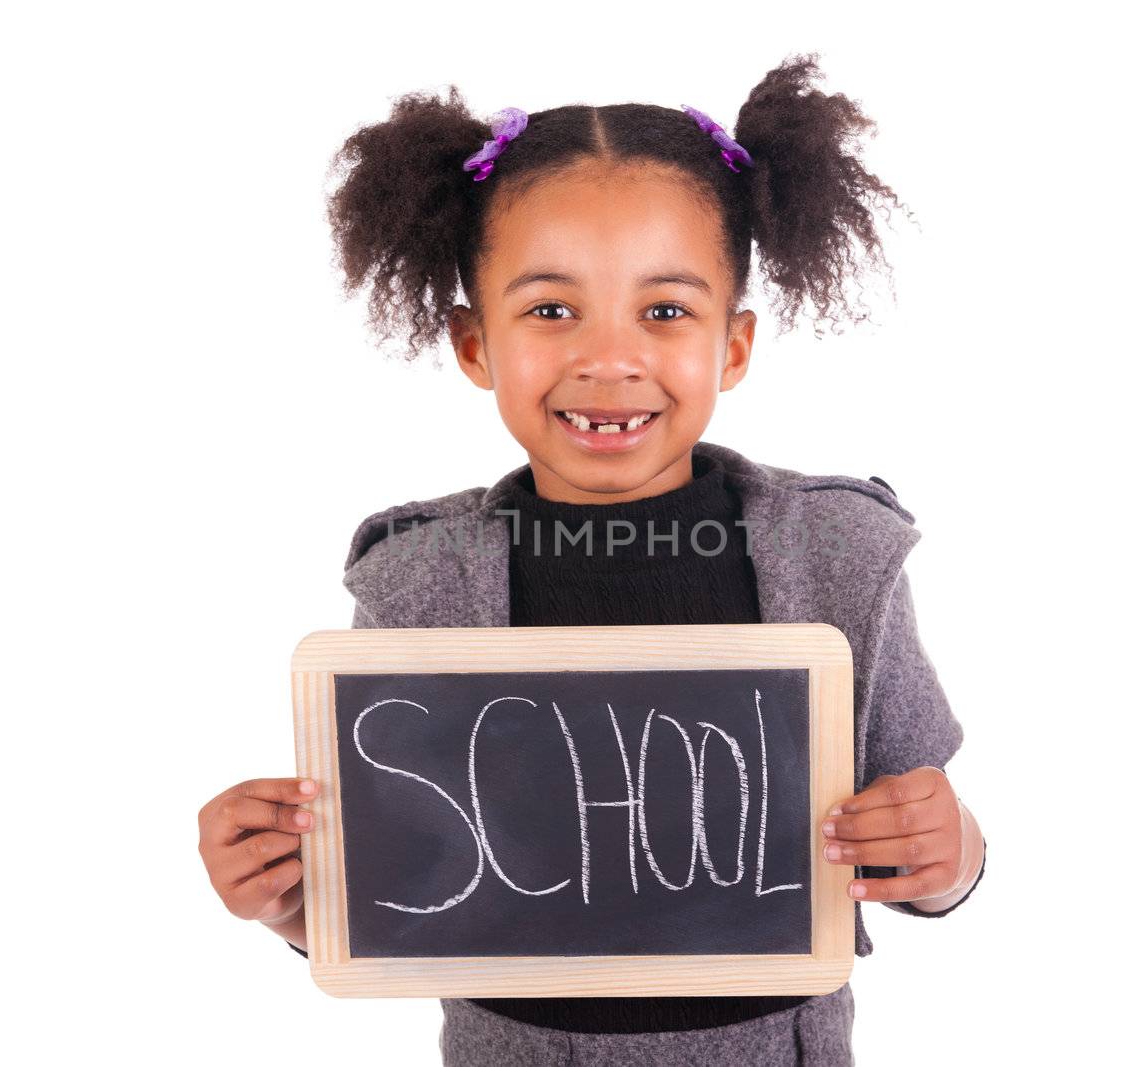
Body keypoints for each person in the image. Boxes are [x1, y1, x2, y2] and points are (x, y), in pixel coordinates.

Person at [196, 52, 987, 1066]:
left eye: (664, 310)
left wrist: (947, 852)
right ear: (474, 342)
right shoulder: (417, 585)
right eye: (550, 308)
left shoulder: (837, 557)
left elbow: (925, 839)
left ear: (732, 346)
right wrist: (291, 896)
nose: (607, 359)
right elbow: (403, 887)